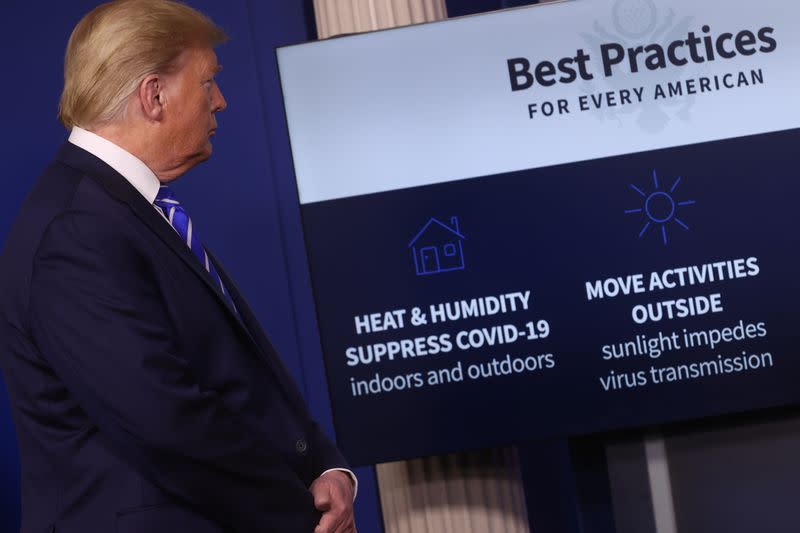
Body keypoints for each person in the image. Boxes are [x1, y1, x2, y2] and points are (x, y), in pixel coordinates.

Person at [0, 1, 356, 532]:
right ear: (154, 94)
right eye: (208, 81)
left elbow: (236, 378)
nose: (221, 101)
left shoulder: (124, 209)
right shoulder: (74, 230)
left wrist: (325, 467)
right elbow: (167, 423)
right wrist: (300, 514)